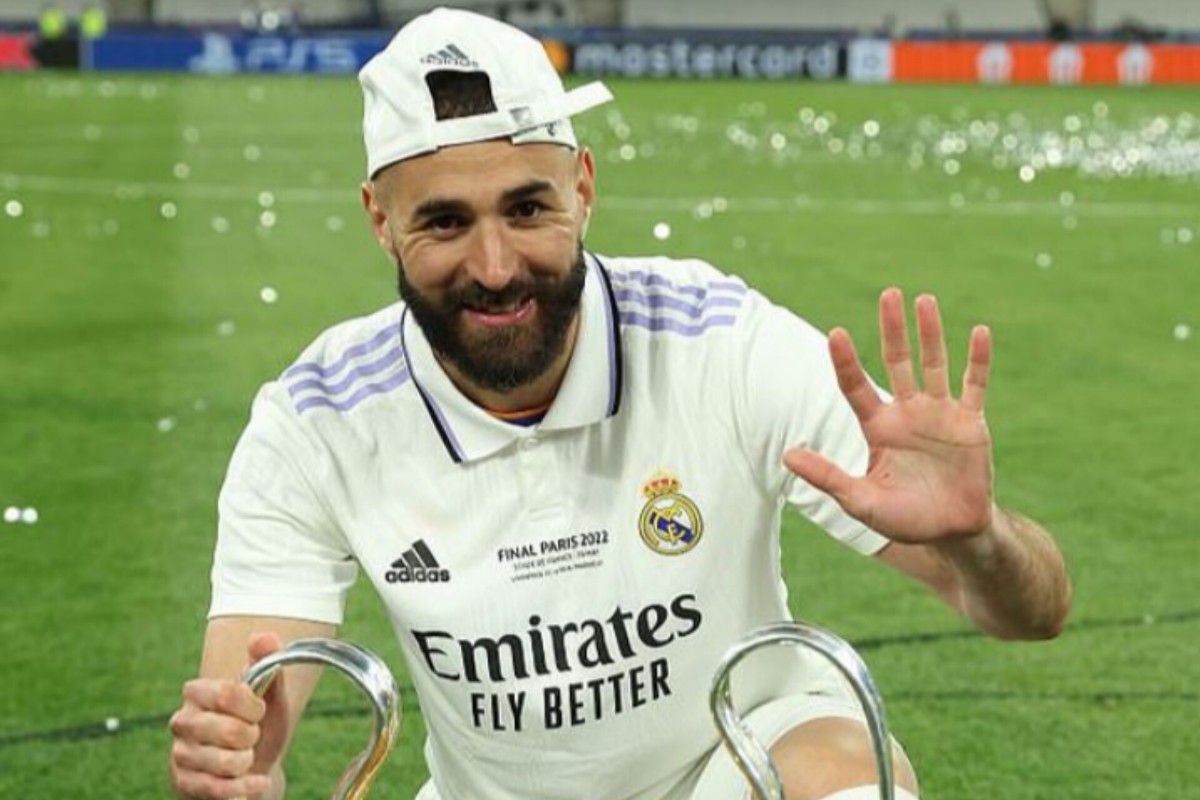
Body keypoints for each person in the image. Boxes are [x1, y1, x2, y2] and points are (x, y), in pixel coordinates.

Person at [167, 8, 1072, 800]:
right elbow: (247, 711)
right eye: (445, 221)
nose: (495, 267)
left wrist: (978, 537)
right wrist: (238, 767)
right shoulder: (316, 420)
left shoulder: (720, 342)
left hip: (740, 760)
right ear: (379, 219)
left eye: (528, 210)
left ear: (584, 188)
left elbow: (1032, 611)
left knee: (841, 774)